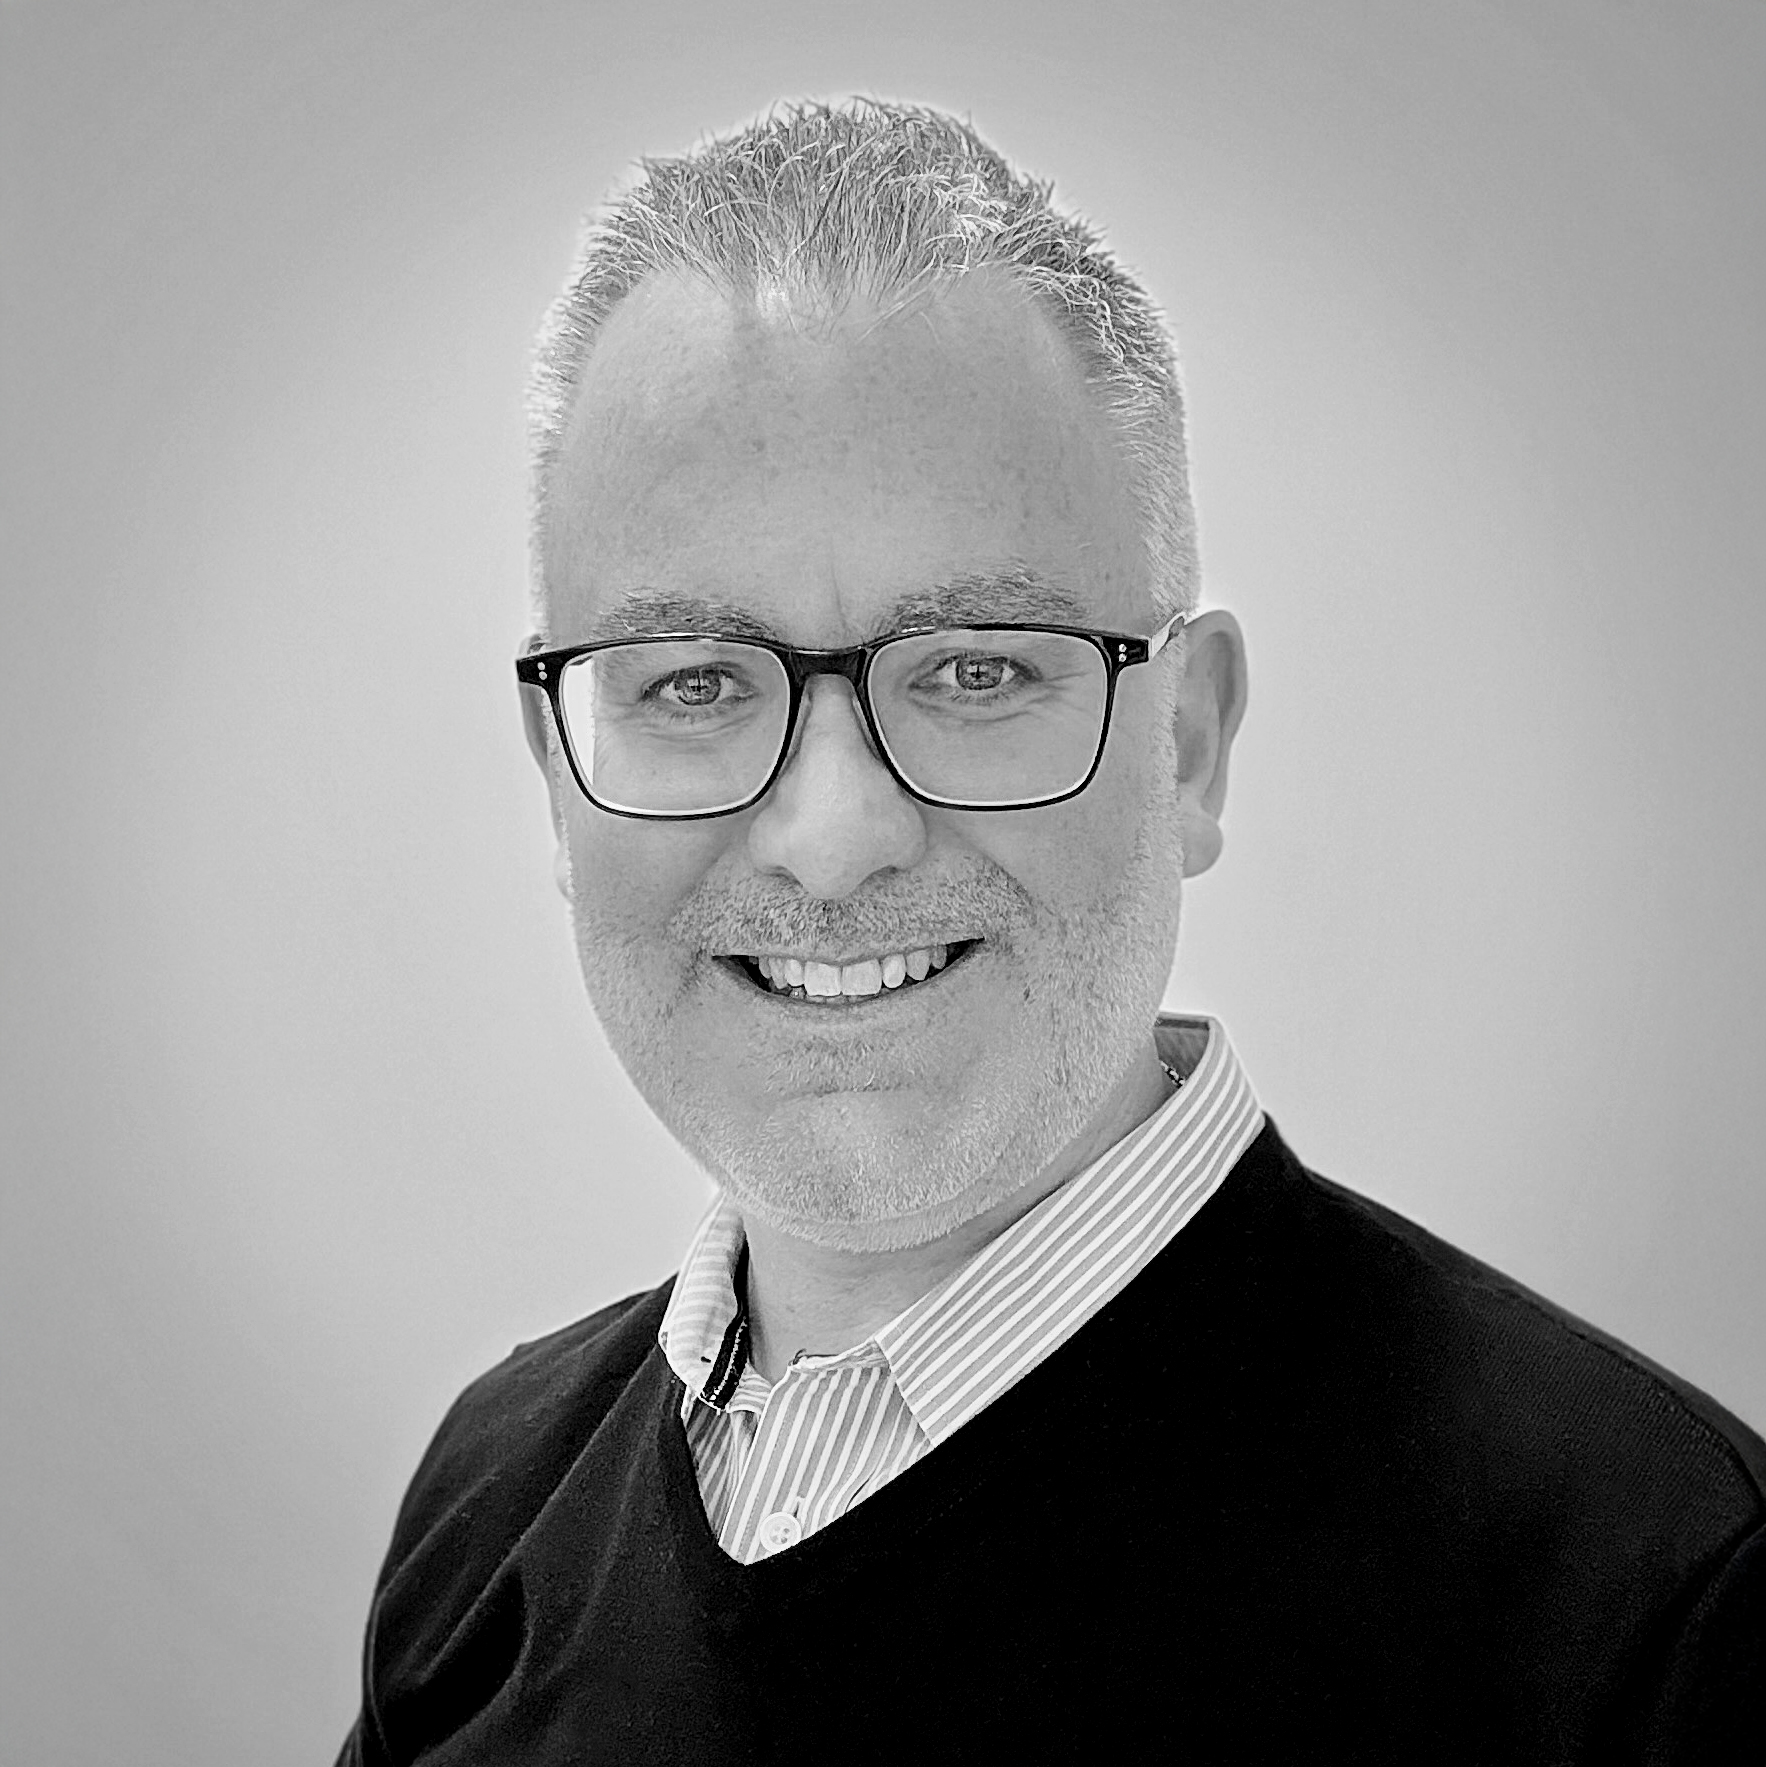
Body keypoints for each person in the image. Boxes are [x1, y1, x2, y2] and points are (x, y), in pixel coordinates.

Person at [338, 99, 1764, 1765]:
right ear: (559, 783)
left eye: (972, 669)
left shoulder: (1653, 1611)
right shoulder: (486, 1499)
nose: (831, 838)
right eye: (694, 685)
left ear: (1187, 746)